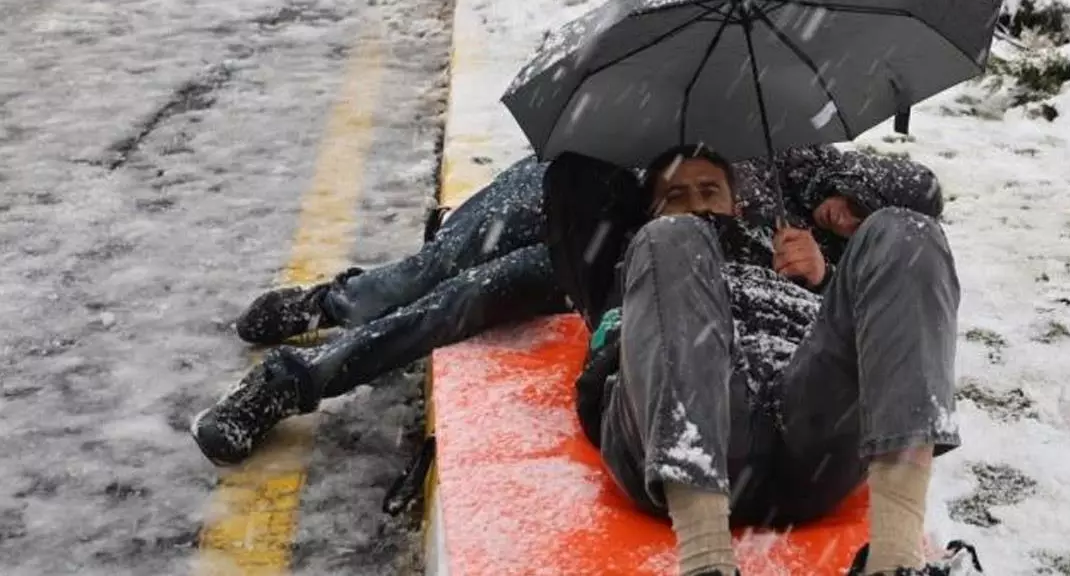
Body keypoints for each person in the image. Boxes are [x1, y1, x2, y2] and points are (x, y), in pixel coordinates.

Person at [188, 144, 948, 479]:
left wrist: (827, 242)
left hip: (614, 272)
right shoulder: (671, 116)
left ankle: (301, 372)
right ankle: (322, 316)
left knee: (473, 298)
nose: (847, 220)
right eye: (848, 211)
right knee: (442, 273)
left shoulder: (803, 208)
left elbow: (908, 215)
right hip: (585, 201)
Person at [560, 145, 971, 576]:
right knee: (673, 238)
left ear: (736, 204)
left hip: (808, 432)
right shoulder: (642, 257)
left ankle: (896, 560)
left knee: (907, 230)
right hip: (681, 439)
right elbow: (570, 177)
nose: (697, 203)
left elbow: (919, 188)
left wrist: (823, 277)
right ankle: (705, 562)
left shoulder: (791, 223)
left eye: (708, 189)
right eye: (676, 195)